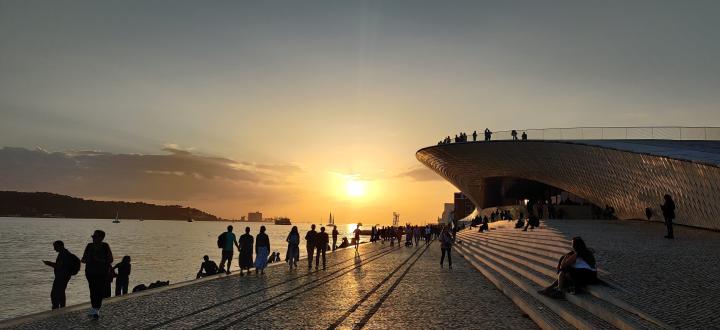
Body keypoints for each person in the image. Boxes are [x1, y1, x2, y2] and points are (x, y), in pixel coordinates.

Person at [81, 230, 113, 319]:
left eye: (95, 237)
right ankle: (94, 308)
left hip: (102, 272)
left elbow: (110, 259)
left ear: (101, 238)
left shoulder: (105, 246)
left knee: (99, 290)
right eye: (93, 237)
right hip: (90, 272)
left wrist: (99, 260)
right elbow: (83, 258)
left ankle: (96, 309)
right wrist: (85, 260)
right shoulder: (89, 246)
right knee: (92, 289)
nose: (93, 238)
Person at [43, 240, 77, 309]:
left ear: (60, 246)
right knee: (61, 292)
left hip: (61, 276)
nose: (54, 248)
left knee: (54, 294)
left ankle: (56, 308)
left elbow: (58, 266)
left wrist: (49, 263)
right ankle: (62, 308)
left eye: (55, 247)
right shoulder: (65, 253)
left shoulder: (63, 254)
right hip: (65, 276)